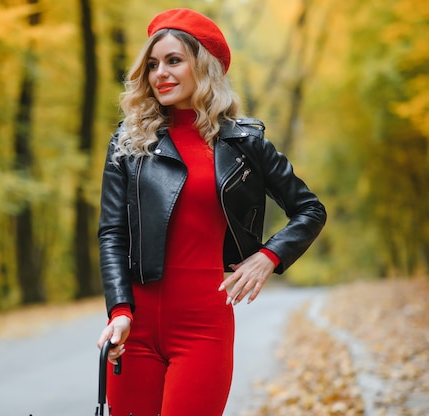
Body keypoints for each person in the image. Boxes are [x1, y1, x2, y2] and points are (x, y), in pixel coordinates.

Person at [96, 7, 326, 416]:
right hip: (136, 328)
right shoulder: (128, 143)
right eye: (152, 64)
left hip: (204, 327)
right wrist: (118, 311)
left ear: (203, 67)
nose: (159, 74)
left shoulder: (244, 143)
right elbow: (112, 233)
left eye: (173, 61)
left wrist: (268, 256)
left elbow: (309, 209)